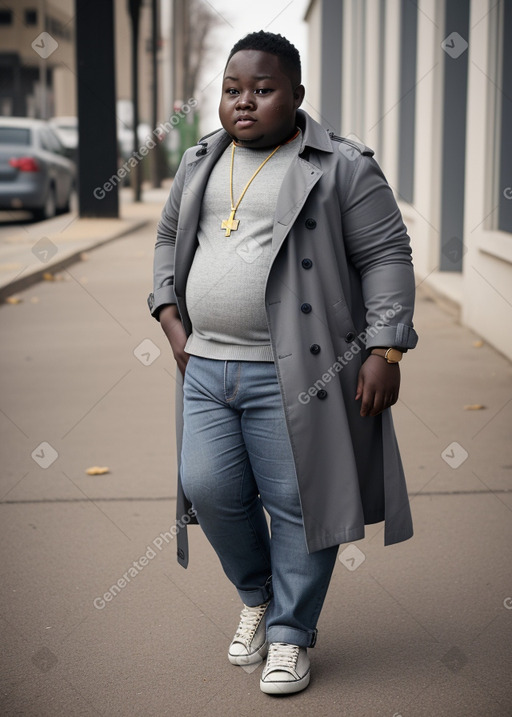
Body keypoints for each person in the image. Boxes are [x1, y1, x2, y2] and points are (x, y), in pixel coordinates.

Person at [148, 31, 418, 695]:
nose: (245, 103)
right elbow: (165, 241)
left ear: (296, 96)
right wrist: (170, 319)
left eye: (263, 90)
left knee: (299, 502)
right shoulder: (200, 161)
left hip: (299, 374)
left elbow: (387, 255)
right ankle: (259, 595)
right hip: (206, 367)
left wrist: (386, 346)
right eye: (233, 90)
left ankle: (292, 635)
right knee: (208, 489)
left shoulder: (343, 164)